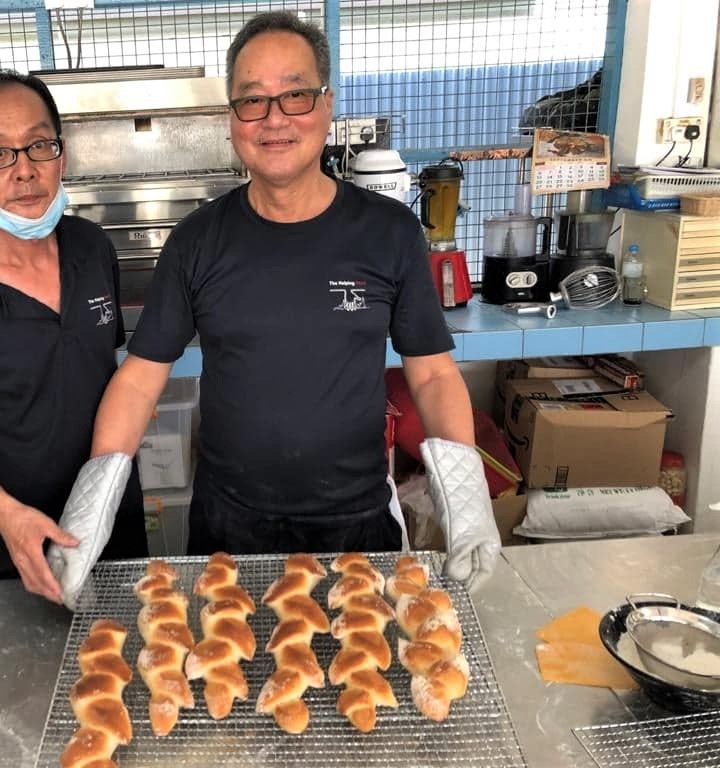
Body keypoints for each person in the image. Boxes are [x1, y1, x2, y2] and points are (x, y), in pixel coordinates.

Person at [75, 11, 500, 590]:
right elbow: (139, 379)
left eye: (295, 95)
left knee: (367, 679)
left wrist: (469, 504)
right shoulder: (197, 241)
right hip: (229, 530)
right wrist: (90, 509)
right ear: (232, 119)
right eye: (252, 101)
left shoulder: (388, 232)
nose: (274, 119)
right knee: (228, 678)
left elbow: (431, 377)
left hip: (358, 524)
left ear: (326, 106)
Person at [0, 69, 147, 603]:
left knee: (129, 665)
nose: (25, 171)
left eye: (39, 145)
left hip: (113, 515)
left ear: (61, 152)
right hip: (19, 537)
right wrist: (4, 515)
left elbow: (108, 371)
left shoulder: (92, 248)